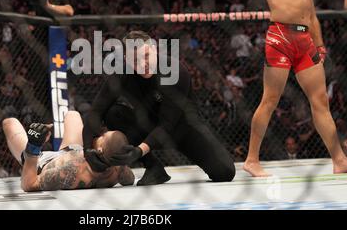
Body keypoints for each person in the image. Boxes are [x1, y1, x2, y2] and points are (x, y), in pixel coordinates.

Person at [243, 0, 347, 177]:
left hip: (305, 41)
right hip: (279, 36)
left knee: (320, 102)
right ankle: (252, 159)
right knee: (270, 99)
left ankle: (339, 160)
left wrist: (320, 45)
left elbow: (312, 15)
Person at [82, 30, 236, 186]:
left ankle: (148, 156)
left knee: (224, 172)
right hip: (147, 125)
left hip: (184, 128)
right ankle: (154, 168)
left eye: (146, 56)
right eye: (135, 60)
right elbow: (96, 111)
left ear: (154, 50)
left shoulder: (174, 71)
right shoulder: (122, 73)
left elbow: (168, 124)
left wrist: (139, 150)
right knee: (114, 113)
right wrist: (87, 150)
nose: (143, 65)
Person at [2, 110, 134, 191]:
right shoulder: (118, 168)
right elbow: (129, 180)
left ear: (100, 150)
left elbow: (29, 184)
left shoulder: (71, 170)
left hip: (44, 160)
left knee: (9, 123)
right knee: (73, 114)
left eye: (103, 136)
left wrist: (33, 146)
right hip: (74, 150)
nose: (101, 133)